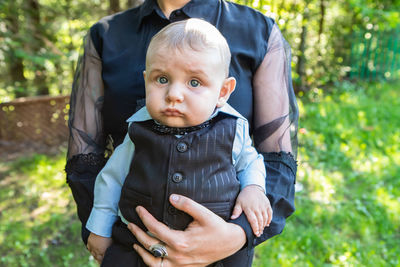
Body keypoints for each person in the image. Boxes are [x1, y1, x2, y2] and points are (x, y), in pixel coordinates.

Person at [65, 0, 299, 266]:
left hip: (223, 253)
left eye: (195, 82)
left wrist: (238, 231)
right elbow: (97, 166)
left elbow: (266, 159)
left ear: (224, 91)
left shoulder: (259, 31)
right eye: (162, 80)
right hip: (133, 245)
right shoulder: (106, 36)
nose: (174, 95)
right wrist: (99, 228)